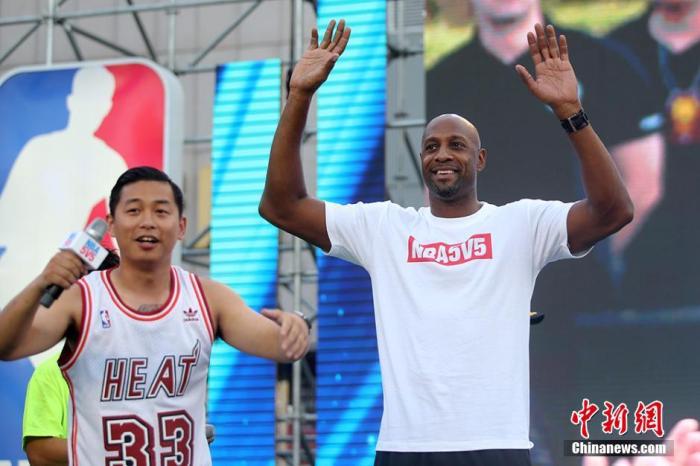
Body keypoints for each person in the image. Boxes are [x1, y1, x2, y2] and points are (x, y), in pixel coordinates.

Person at [260, 19, 633, 466]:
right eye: (431, 146)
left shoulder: (521, 223)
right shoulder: (384, 228)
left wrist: (571, 112)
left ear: (480, 159)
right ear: (421, 159)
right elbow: (281, 206)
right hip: (406, 448)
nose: (442, 154)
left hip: (496, 444)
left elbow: (614, 210)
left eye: (456, 145)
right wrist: (299, 96)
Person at [0, 166, 310, 465]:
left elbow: (280, 346)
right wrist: (41, 283)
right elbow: (6, 346)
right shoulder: (81, 299)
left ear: (181, 226)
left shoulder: (209, 298)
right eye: (134, 210)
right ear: (111, 224)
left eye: (161, 211)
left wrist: (296, 325)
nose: (147, 222)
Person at [0, 66, 128, 316]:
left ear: (107, 108)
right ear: (71, 101)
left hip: (65, 282)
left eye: (100, 103)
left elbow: (122, 239)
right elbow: (5, 217)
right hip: (15, 274)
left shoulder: (109, 161)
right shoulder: (38, 148)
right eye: (87, 100)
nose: (93, 110)